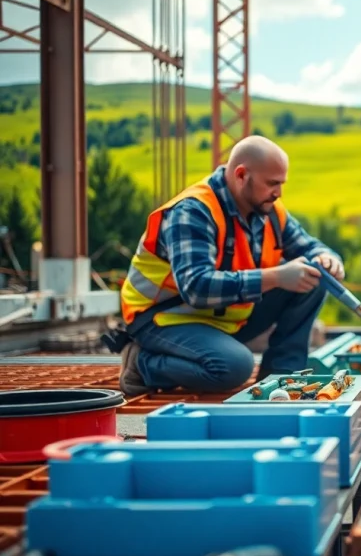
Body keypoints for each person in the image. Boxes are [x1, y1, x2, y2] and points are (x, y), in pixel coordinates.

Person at [115, 135, 345, 396]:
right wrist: (277, 277)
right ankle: (142, 364)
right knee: (233, 367)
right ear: (241, 175)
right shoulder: (192, 211)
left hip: (224, 319)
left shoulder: (268, 208)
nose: (278, 193)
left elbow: (310, 246)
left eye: (281, 184)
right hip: (164, 320)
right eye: (272, 183)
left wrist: (328, 259)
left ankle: (280, 379)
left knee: (312, 278)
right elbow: (197, 288)